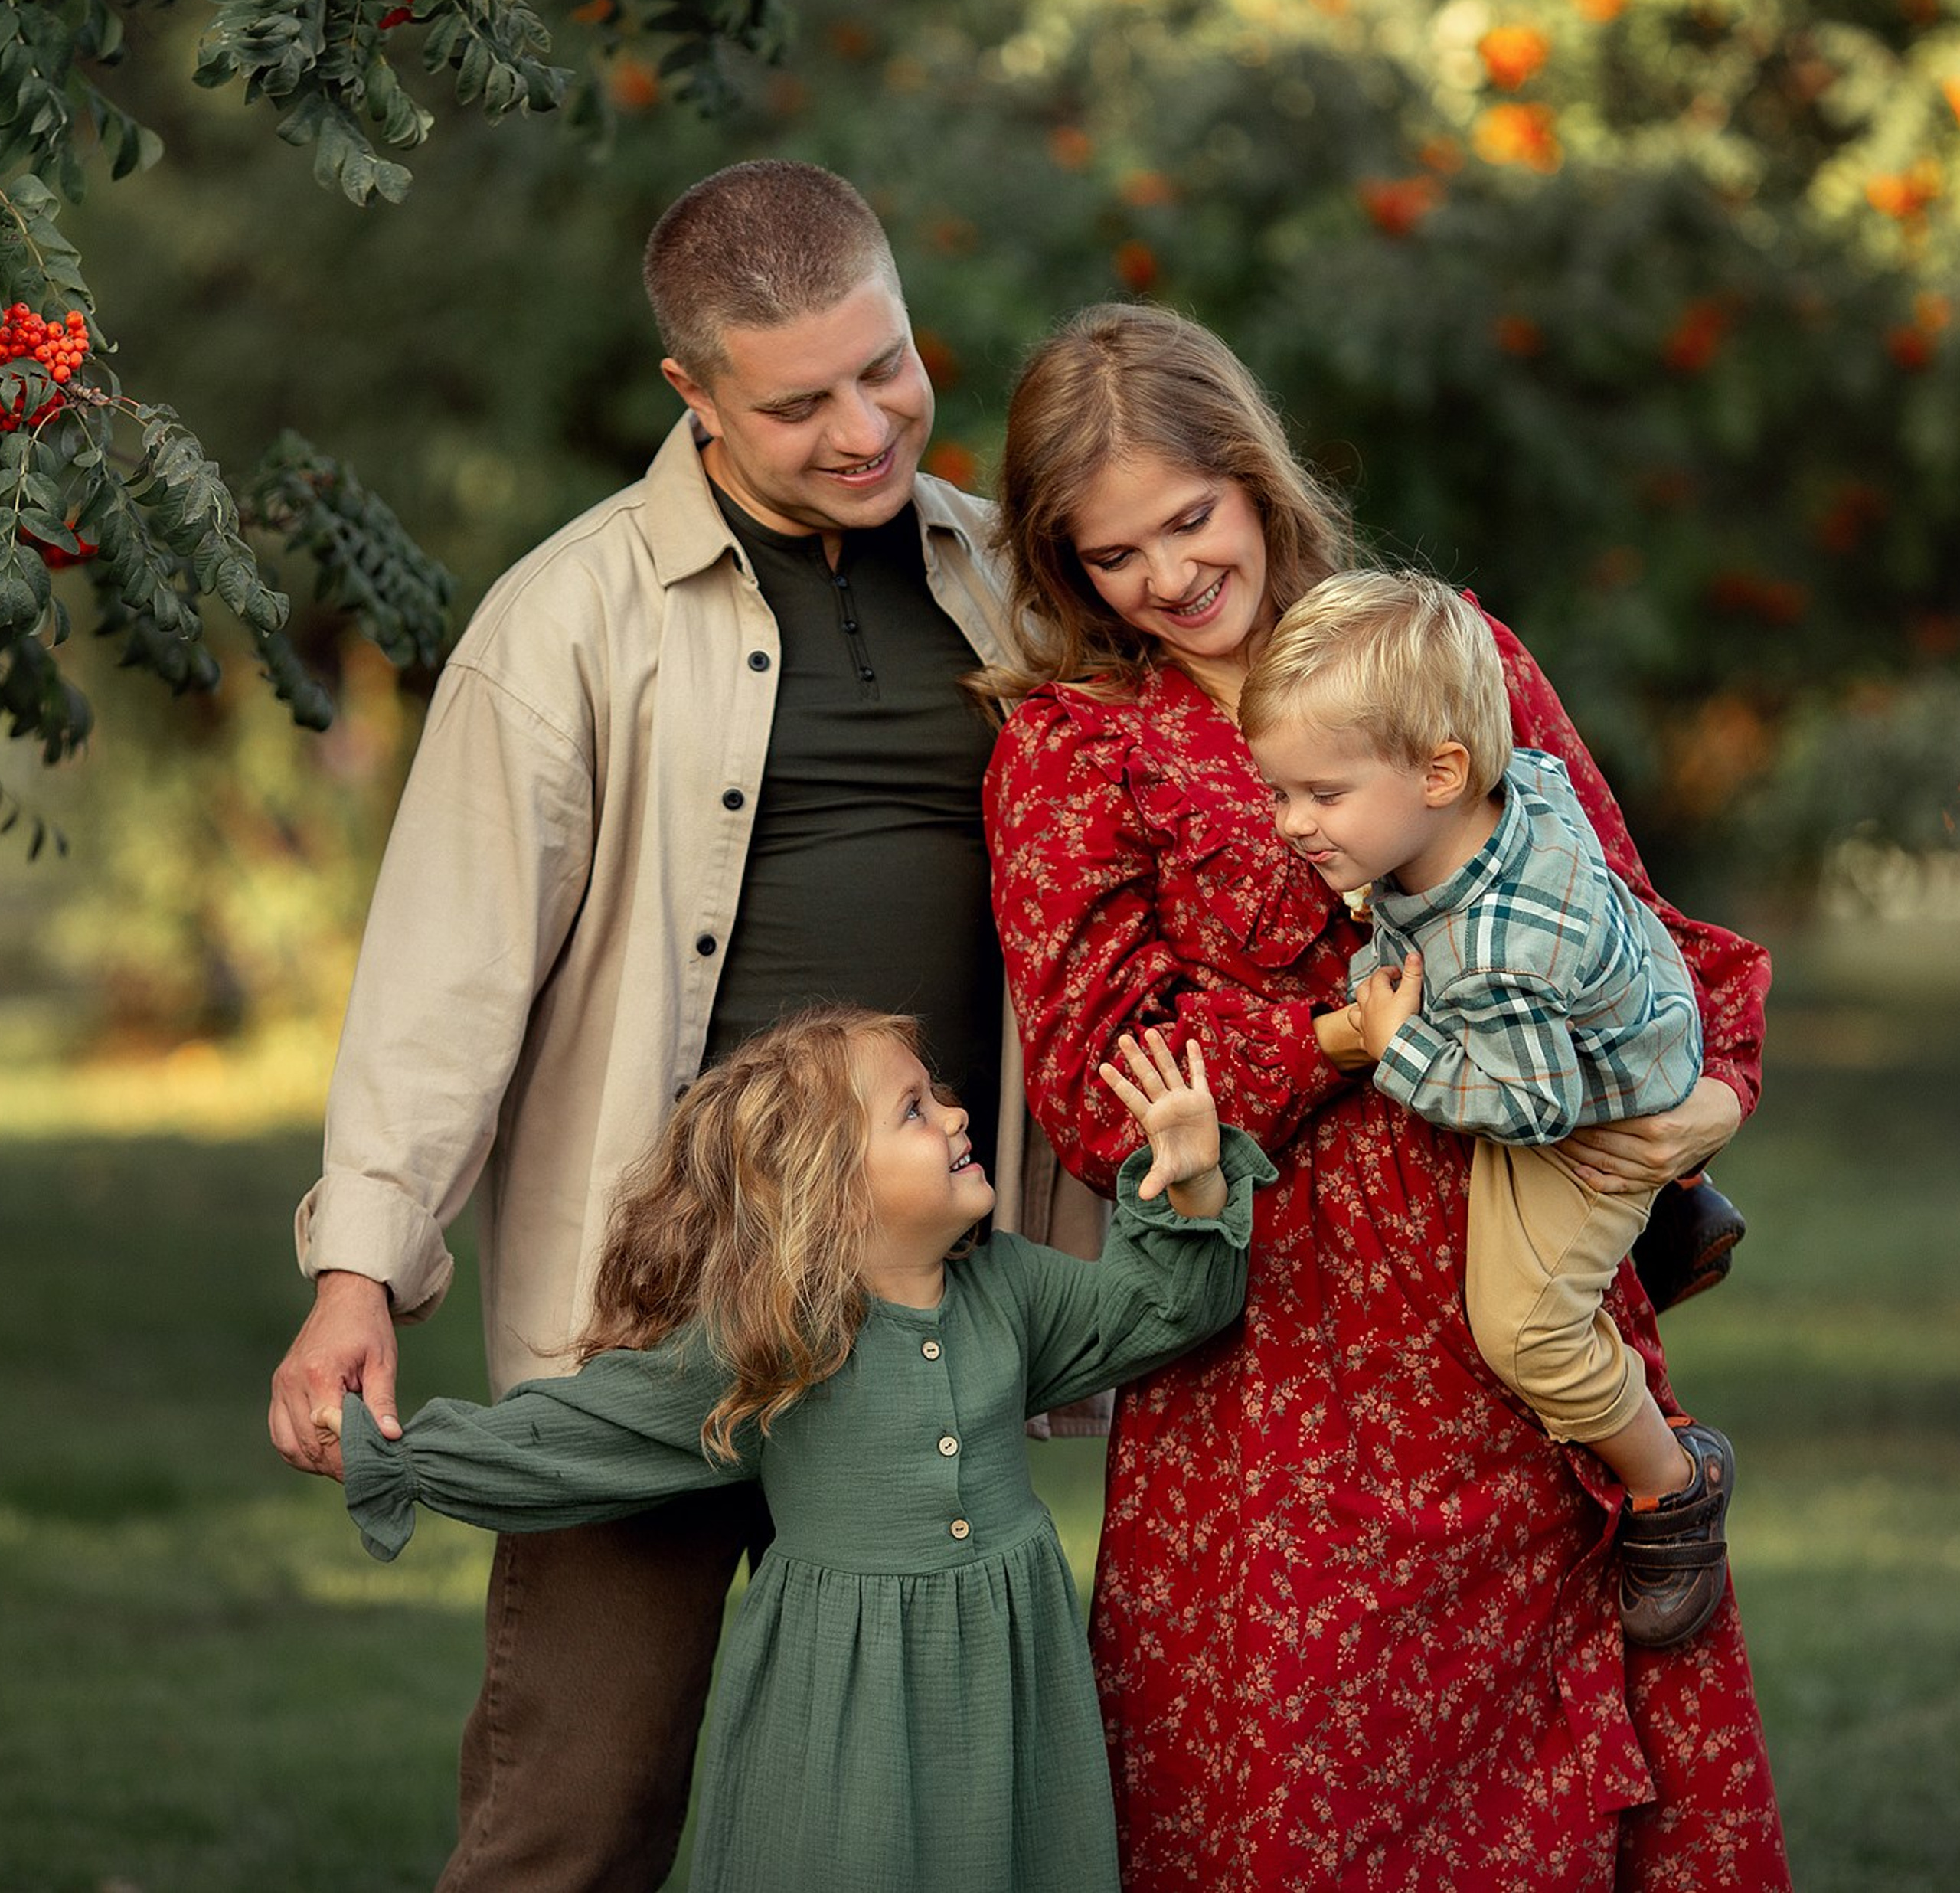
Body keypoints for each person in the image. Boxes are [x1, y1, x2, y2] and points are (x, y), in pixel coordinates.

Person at [267, 160, 1058, 1889]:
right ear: (689, 394)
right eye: (799, 402)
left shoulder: (1010, 580)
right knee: (580, 1804)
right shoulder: (562, 622)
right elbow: (441, 977)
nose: (865, 426)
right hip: (664, 1316)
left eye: (889, 366)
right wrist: (359, 1273)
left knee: (909, 1814)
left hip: (928, 1306)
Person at [978, 302, 1790, 1889]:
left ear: (1254, 479)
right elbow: (1097, 1086)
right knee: (1292, 1787)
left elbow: (1613, 913)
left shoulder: (1448, 653)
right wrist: (1330, 1042)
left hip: (1512, 1271)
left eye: (1187, 518)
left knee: (1570, 1765)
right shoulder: (1075, 757)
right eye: (1108, 554)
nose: (1164, 575)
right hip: (1277, 1351)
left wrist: (1704, 1097)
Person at [312, 1003, 1272, 1893]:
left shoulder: (1008, 1289)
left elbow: (1160, 1311)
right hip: (842, 1702)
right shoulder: (774, 1343)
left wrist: (1190, 1183)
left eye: (936, 1095)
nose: (955, 1112)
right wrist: (395, 1453)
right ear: (827, 1188)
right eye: (913, 1110)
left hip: (1007, 1682)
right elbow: (577, 1434)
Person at [1238, 566, 1735, 1651]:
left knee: (1527, 1328)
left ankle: (1675, 1482)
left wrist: (1394, 1043)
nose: (1291, 824)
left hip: (1579, 1114)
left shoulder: (1499, 954)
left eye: (1321, 796)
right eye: (1279, 792)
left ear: (1440, 770)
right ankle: (1682, 1194)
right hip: (1611, 1033)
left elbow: (1528, 1102)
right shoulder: (1484, 807)